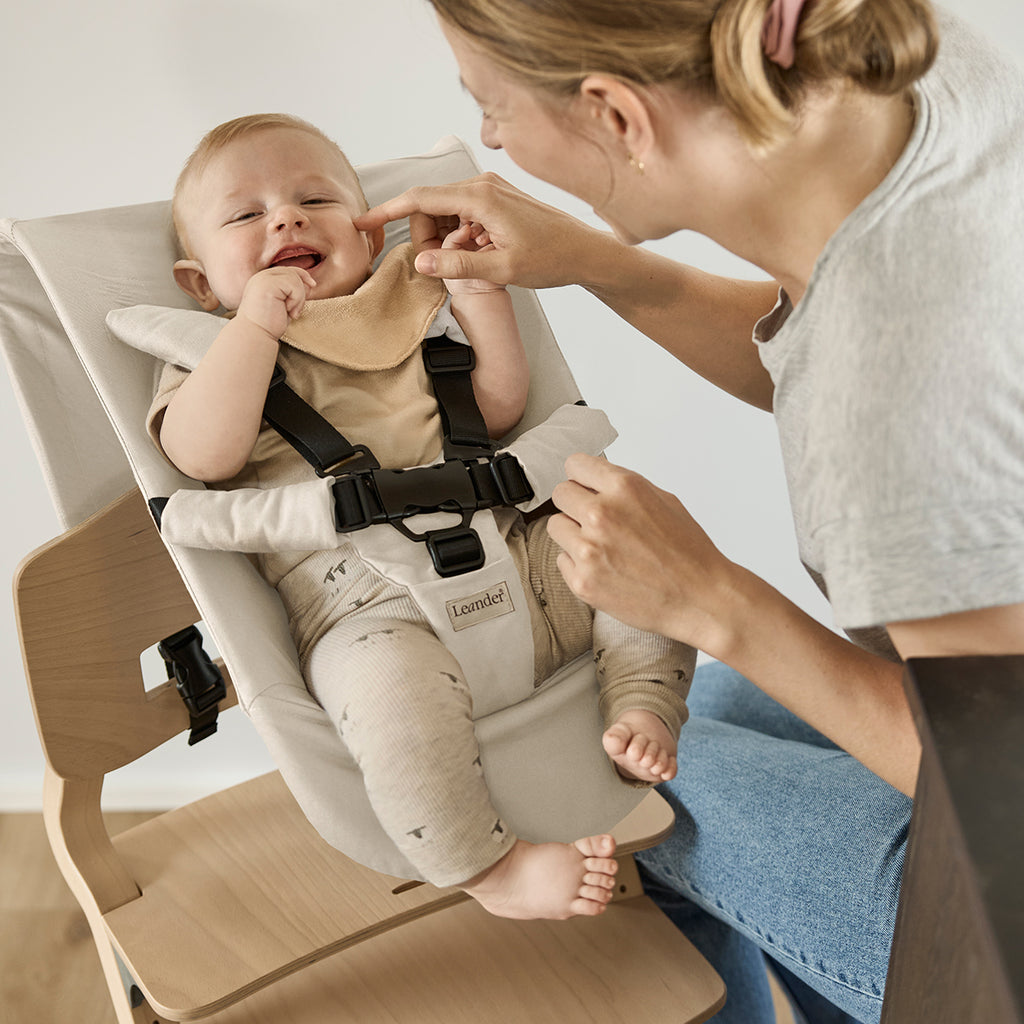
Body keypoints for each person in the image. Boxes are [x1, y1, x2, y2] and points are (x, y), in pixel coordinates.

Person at [353, 0, 1024, 1020]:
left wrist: (711, 599)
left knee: (622, 772)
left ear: (616, 114)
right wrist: (596, 259)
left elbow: (997, 785)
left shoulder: (892, 394)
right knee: (686, 715)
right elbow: (820, 339)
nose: (489, 136)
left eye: (492, 106)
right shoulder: (913, 80)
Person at [148, 113, 696, 921]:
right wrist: (256, 327)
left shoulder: (413, 308)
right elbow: (207, 456)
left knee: (631, 541)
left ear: (371, 238)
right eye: (246, 215)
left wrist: (474, 292)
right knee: (389, 704)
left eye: (315, 201)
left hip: (515, 559)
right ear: (200, 285)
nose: (287, 219)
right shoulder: (209, 352)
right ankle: (490, 868)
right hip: (366, 607)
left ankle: (643, 695)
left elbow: (497, 409)